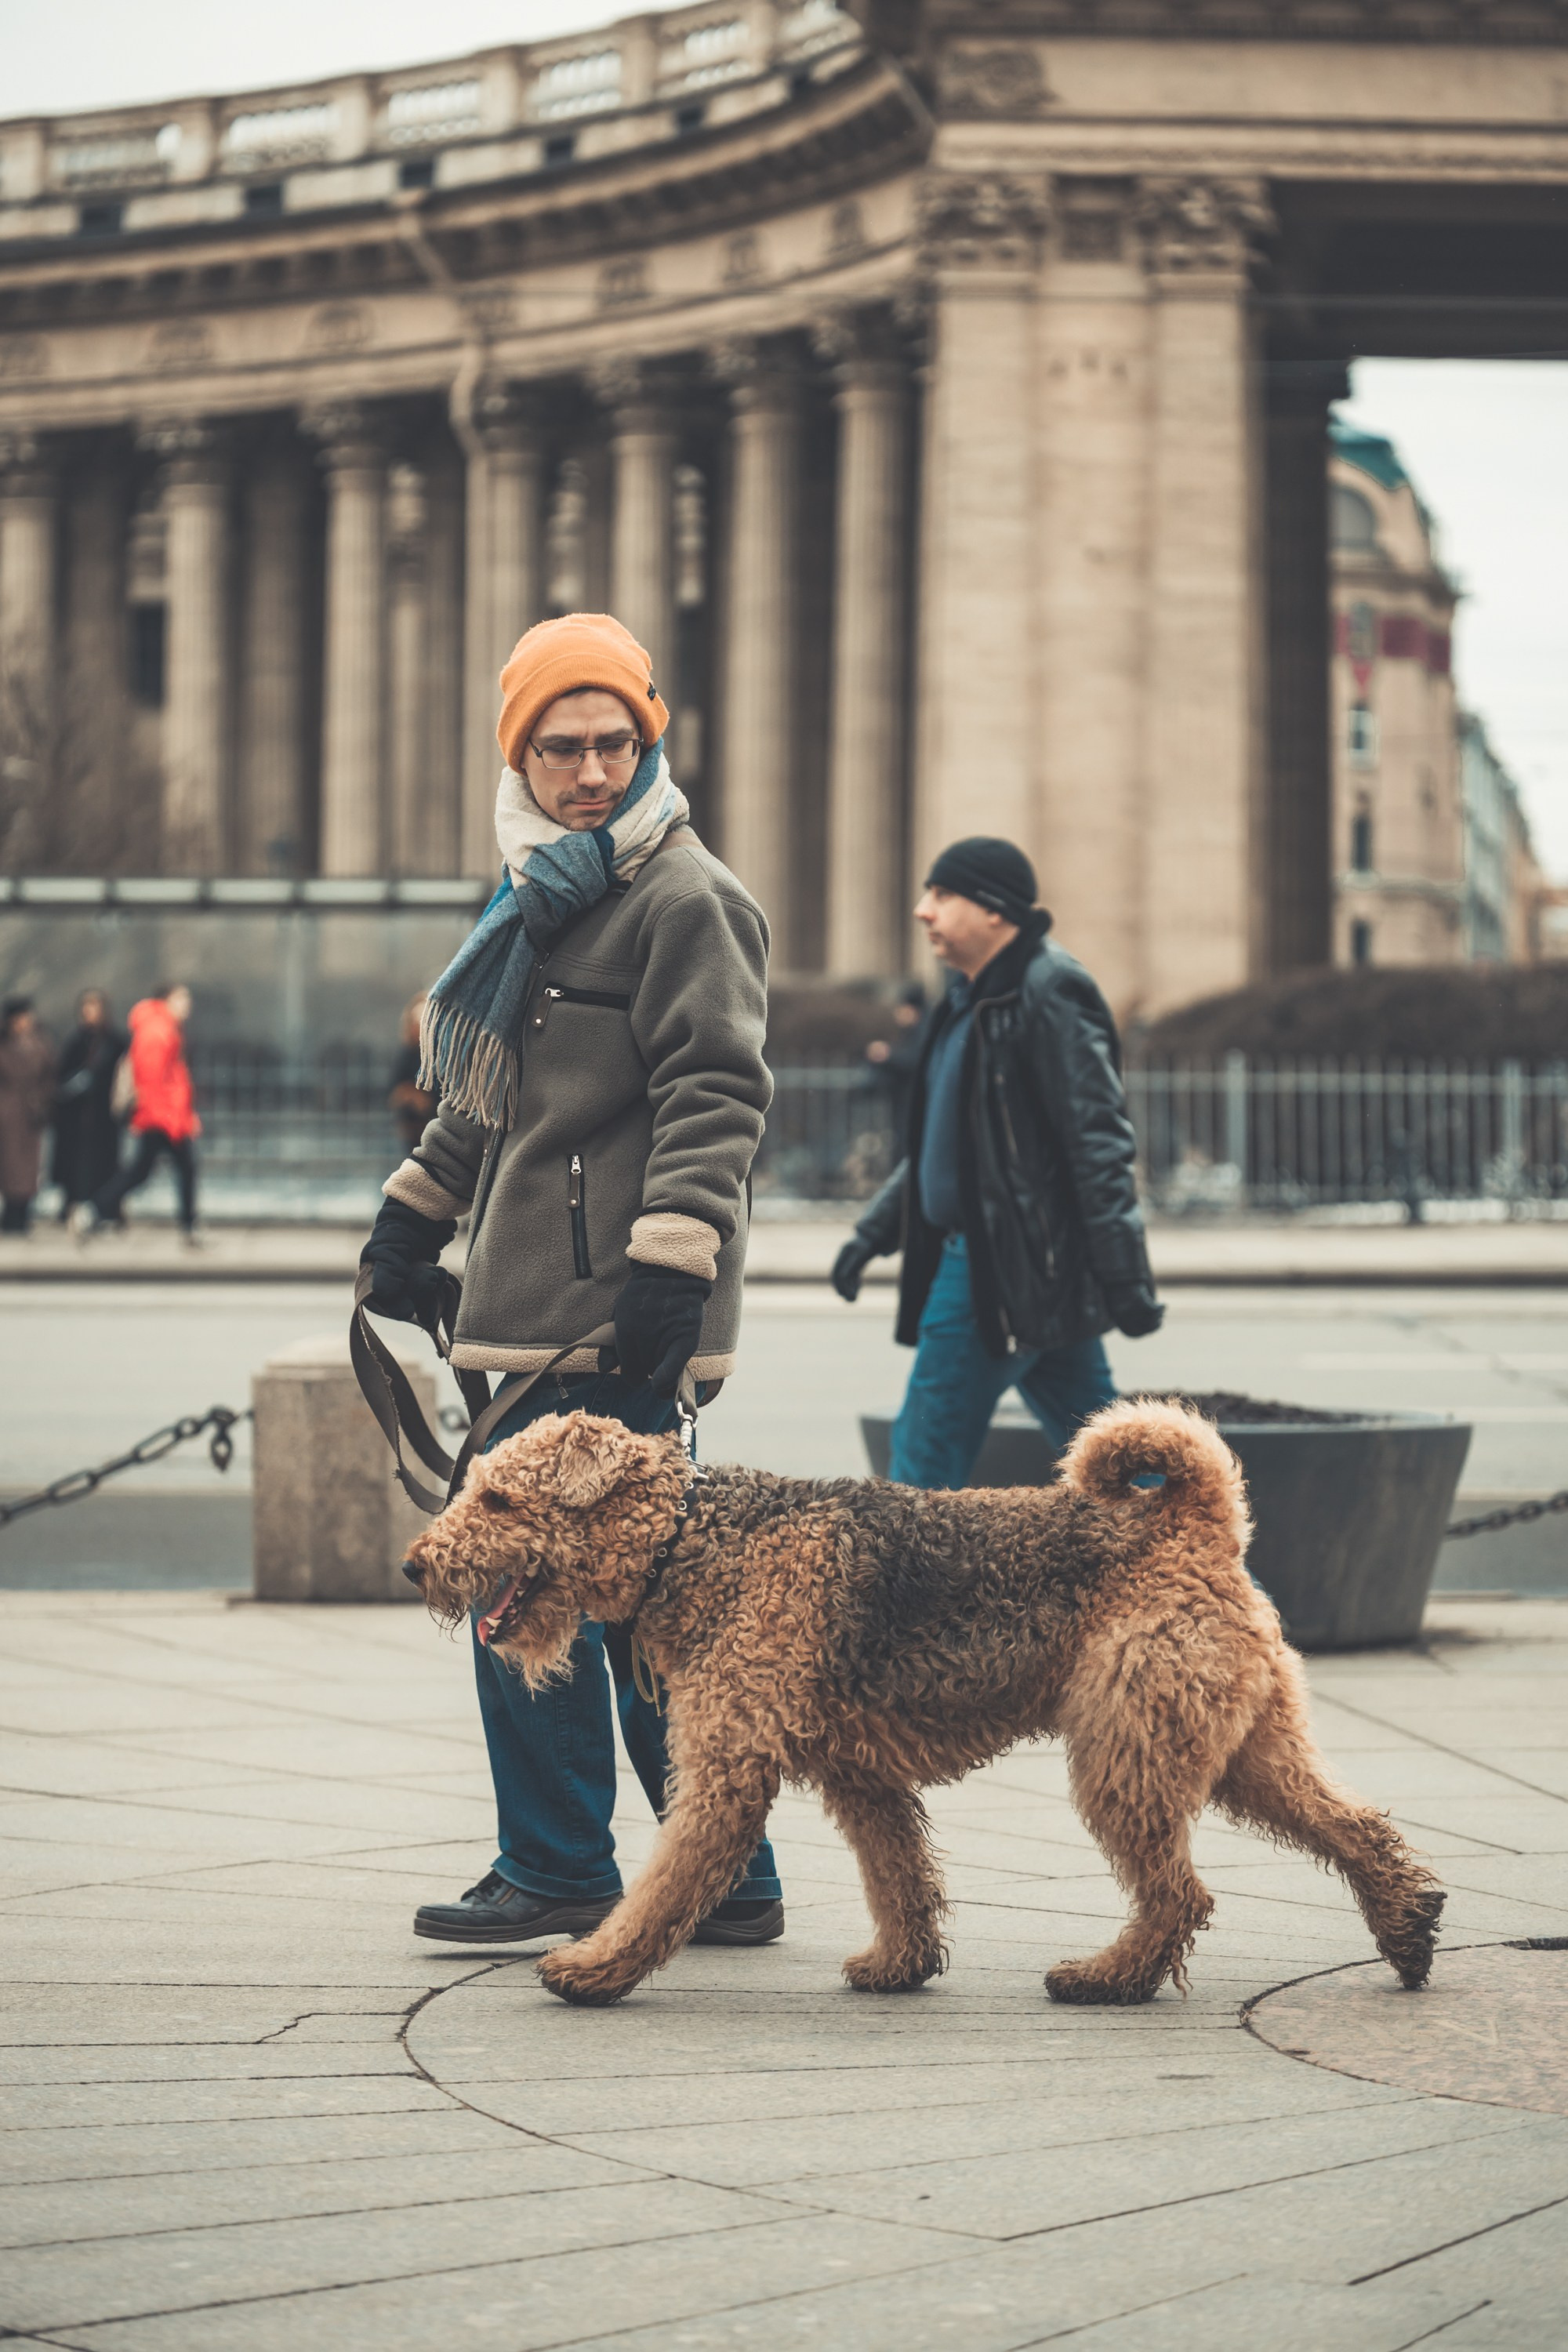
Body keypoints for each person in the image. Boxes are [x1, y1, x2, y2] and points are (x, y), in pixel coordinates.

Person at [361, 610, 784, 1951]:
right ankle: (728, 1878)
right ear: (521, 756)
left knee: (527, 1589)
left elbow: (717, 1092)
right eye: (562, 747)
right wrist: (410, 1220)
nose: (591, 770)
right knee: (641, 1607)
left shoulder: (684, 896)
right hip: (533, 1303)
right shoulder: (544, 895)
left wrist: (673, 1268)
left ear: (648, 742)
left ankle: (557, 1864)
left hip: (615, 1311)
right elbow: (487, 1094)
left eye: (614, 743)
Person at [832, 837, 1163, 1489]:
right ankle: (1226, 1589)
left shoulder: (1049, 990)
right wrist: (873, 1234)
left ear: (994, 910)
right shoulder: (967, 999)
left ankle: (902, 1594)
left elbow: (1098, 1142)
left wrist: (1125, 1276)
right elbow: (945, 1145)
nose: (924, 911)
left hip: (997, 1269)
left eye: (942, 894)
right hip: (1023, 1269)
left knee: (920, 1471)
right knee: (1123, 1479)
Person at [75, 983, 201, 1241]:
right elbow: (152, 1080)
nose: (187, 1005)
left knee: (141, 1172)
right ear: (166, 1000)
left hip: (164, 1116)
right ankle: (189, 1227)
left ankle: (94, 1211)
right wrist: (171, 1117)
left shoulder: (163, 1028)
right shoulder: (158, 1031)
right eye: (182, 999)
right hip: (163, 1117)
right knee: (179, 1169)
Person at [51, 988, 126, 1221]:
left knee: (106, 1162)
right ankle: (73, 1205)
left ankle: (106, 1208)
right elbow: (62, 1077)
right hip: (77, 1116)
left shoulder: (115, 1041)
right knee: (74, 1164)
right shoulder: (75, 1042)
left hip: (105, 1113)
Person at [0, 997, 58, 1236]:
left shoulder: (41, 1044)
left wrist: (43, 1100)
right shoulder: (5, 1046)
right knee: (10, 1165)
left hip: (31, 1113)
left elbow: (50, 1077)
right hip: (8, 1112)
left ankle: (22, 1212)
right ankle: (12, 1213)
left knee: (29, 1167)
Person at [387, 993, 435, 1157]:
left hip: (434, 1124)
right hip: (411, 1126)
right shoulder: (405, 1054)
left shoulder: (438, 1056)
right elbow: (394, 1092)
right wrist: (409, 1096)